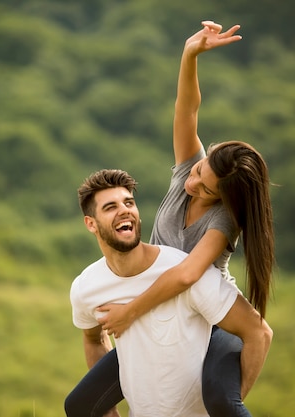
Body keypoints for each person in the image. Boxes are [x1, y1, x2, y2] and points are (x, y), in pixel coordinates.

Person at [65, 21, 275, 417]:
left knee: (219, 399)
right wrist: (190, 54)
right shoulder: (190, 173)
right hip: (160, 306)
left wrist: (130, 311)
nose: (192, 183)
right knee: (80, 404)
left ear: (224, 199)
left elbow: (185, 275)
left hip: (209, 320)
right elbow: (187, 108)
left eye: (206, 187)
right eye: (198, 171)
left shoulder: (223, 221)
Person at [68, 169, 272, 417]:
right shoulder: (87, 287)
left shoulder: (183, 271)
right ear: (91, 224)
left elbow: (259, 332)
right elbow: (93, 338)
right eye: (110, 207)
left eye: (129, 203)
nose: (124, 210)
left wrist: (227, 406)